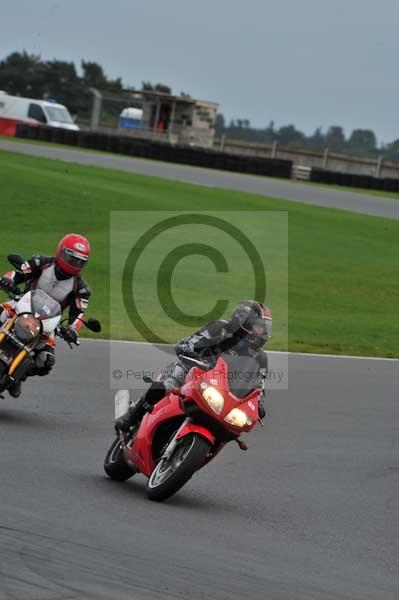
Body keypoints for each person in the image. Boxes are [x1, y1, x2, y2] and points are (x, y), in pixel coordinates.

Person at [116, 300, 272, 432]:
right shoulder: (220, 328)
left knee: (231, 423)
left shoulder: (260, 357)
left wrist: (259, 405)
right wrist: (190, 351)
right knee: (167, 384)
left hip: (220, 388)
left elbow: (259, 386)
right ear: (243, 322)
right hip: (191, 369)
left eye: (265, 328)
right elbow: (188, 343)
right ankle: (132, 416)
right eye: (259, 327)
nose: (262, 332)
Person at [0, 234, 91, 397]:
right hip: (20, 306)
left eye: (79, 261)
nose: (73, 263)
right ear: (60, 252)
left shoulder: (81, 288)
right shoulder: (40, 262)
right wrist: (7, 281)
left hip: (47, 326)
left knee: (45, 361)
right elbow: (17, 274)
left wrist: (72, 329)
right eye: (70, 257)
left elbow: (78, 314)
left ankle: (19, 377)